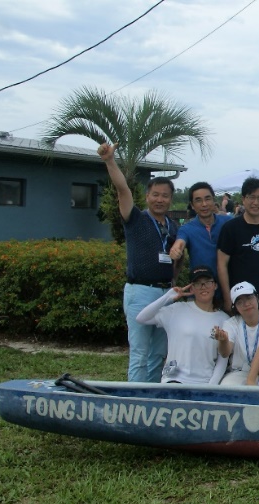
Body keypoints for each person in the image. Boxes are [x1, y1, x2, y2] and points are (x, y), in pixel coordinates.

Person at [98, 141, 177, 383]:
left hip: (166, 293)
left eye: (165, 196)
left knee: (158, 353)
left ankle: (151, 395)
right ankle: (134, 396)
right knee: (140, 352)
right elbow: (123, 189)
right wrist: (110, 161)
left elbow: (176, 259)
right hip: (140, 291)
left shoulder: (173, 226)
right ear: (147, 196)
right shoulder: (135, 219)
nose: (160, 199)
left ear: (171, 199)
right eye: (155, 195)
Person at [135, 265, 229, 384]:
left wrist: (211, 386)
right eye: (198, 283)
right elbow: (141, 318)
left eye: (208, 282)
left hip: (204, 382)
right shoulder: (176, 310)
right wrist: (168, 296)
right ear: (191, 288)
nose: (203, 287)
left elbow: (223, 358)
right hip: (174, 379)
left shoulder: (224, 319)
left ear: (215, 285)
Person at [217, 178, 259, 312]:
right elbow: (221, 265)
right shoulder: (231, 228)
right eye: (251, 197)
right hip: (241, 298)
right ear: (243, 199)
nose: (256, 202)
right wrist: (227, 298)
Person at [169, 181, 232, 277]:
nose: (204, 204)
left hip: (231, 283)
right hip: (202, 284)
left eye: (207, 199)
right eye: (198, 200)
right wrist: (176, 249)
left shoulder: (228, 222)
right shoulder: (187, 229)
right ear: (192, 205)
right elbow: (180, 242)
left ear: (214, 200)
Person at [214, 281, 259, 386]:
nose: (246, 304)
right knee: (227, 387)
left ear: (257, 298)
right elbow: (225, 353)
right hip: (238, 372)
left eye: (249, 298)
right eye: (240, 302)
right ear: (235, 307)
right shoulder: (231, 323)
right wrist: (223, 341)